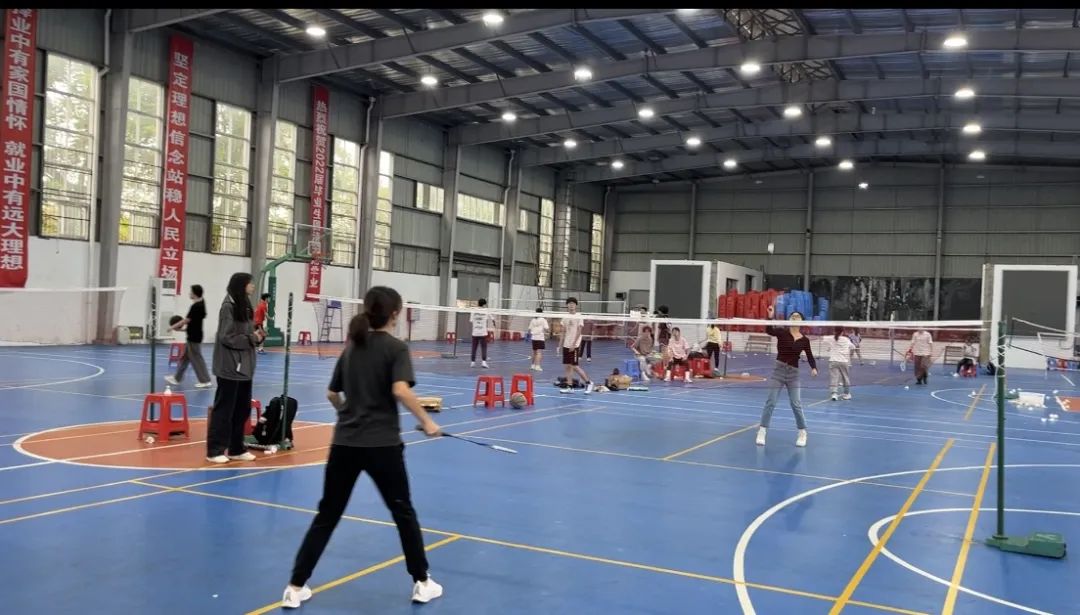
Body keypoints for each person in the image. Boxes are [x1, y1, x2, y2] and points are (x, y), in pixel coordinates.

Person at [283, 286, 444, 609]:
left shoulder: (352, 348)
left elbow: (332, 394)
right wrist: (427, 422)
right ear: (395, 313)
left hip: (344, 444)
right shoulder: (396, 348)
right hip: (382, 446)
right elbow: (400, 389)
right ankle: (422, 582)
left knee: (327, 514)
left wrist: (347, 413)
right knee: (403, 513)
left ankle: (295, 587)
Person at [208, 272, 263, 464]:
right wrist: (251, 338)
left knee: (242, 410)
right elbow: (227, 337)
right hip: (230, 367)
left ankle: (236, 448)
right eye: (250, 283)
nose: (253, 286)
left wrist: (257, 336)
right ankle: (214, 450)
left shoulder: (245, 305)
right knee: (224, 410)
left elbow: (246, 332)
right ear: (241, 285)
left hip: (245, 368)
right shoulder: (228, 307)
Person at [756, 306, 818, 448]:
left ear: (802, 321)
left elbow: (809, 356)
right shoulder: (782, 332)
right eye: (792, 316)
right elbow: (769, 330)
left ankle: (802, 432)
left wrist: (814, 368)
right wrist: (770, 316)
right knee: (771, 402)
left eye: (797, 316)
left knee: (796, 404)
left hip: (793, 374)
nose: (795, 317)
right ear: (789, 320)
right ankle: (762, 431)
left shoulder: (805, 340)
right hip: (779, 371)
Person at [165, 284, 212, 389]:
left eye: (191, 292)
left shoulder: (196, 307)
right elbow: (194, 324)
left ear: (194, 294)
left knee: (197, 359)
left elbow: (186, 320)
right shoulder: (202, 303)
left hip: (194, 337)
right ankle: (177, 378)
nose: (189, 293)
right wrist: (181, 330)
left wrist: (172, 327)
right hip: (193, 334)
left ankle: (205, 381)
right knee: (185, 358)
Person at [560, 297, 593, 393]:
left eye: (573, 303)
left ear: (576, 305)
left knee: (574, 366)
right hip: (566, 344)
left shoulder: (579, 316)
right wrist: (559, 345)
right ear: (567, 305)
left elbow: (579, 331)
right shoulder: (565, 317)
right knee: (567, 366)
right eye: (569, 303)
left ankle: (589, 382)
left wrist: (573, 344)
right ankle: (569, 387)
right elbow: (563, 332)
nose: (571, 305)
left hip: (575, 345)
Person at [826, 327, 854, 401]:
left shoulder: (831, 339)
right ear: (842, 332)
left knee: (834, 378)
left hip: (833, 361)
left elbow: (828, 349)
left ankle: (834, 394)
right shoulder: (846, 339)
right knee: (845, 377)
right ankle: (847, 394)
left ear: (834, 331)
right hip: (844, 361)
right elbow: (853, 347)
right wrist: (850, 355)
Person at [469, 298, 495, 368]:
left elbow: (471, 321)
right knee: (484, 348)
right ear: (484, 304)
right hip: (483, 333)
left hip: (475, 332)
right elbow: (493, 319)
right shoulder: (486, 310)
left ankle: (472, 362)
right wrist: (494, 323)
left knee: (474, 348)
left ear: (478, 303)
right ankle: (484, 362)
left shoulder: (473, 310)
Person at [528, 308, 550, 372]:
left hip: (534, 338)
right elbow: (547, 329)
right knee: (539, 352)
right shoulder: (543, 320)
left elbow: (529, 329)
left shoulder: (533, 320)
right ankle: (537, 366)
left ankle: (532, 366)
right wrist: (549, 332)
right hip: (540, 338)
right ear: (541, 313)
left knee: (534, 352)